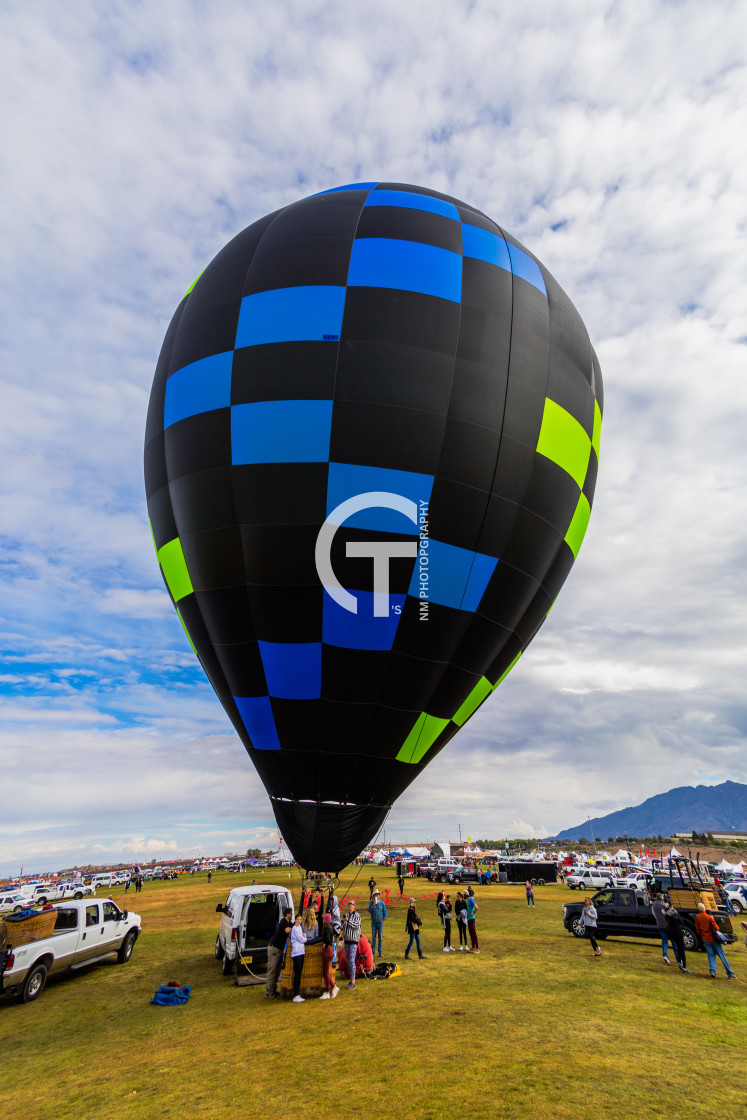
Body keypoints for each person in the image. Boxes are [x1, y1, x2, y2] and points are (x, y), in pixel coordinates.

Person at [695, 903, 736, 979]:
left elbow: (698, 929)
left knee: (710, 955)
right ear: (705, 909)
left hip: (705, 939)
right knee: (722, 956)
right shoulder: (709, 917)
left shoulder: (697, 917)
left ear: (699, 909)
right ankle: (729, 973)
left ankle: (712, 971)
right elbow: (716, 928)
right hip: (714, 939)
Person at [266, 906, 293, 998]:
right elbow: (287, 930)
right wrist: (294, 927)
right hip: (274, 948)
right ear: (287, 914)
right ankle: (269, 992)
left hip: (280, 949)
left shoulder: (288, 923)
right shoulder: (283, 921)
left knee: (277, 971)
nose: (291, 915)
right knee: (272, 970)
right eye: (290, 914)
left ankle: (273, 990)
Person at [652, 892, 678, 965]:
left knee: (664, 940)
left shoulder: (654, 905)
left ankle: (665, 955)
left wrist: (658, 919)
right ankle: (678, 957)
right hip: (667, 924)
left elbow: (654, 913)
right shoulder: (664, 905)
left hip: (659, 924)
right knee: (673, 941)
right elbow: (668, 913)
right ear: (662, 898)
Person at [664, 904, 690, 974]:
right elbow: (682, 922)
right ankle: (684, 966)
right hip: (678, 933)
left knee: (678, 948)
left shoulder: (668, 919)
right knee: (681, 949)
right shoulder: (676, 918)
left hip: (672, 934)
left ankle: (680, 962)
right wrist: (677, 913)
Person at [342, 901, 362, 990]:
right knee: (348, 961)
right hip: (346, 941)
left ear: (354, 906)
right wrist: (342, 921)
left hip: (354, 941)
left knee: (351, 960)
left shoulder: (357, 916)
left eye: (351, 905)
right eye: (349, 905)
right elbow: (342, 927)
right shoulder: (346, 915)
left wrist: (348, 920)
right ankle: (351, 978)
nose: (350, 907)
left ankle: (353, 981)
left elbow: (356, 925)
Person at [319, 913, 339, 1000]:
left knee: (325, 973)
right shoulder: (331, 928)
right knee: (326, 972)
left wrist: (325, 944)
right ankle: (334, 987)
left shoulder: (326, 929)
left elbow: (327, 938)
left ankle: (327, 992)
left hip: (327, 951)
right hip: (331, 951)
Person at [290, 913, 307, 1002]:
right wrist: (304, 938)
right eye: (298, 919)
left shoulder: (300, 928)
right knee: (297, 974)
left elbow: (303, 936)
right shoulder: (295, 929)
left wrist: (303, 937)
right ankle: (295, 994)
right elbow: (302, 939)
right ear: (295, 920)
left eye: (300, 919)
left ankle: (297, 993)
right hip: (296, 953)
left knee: (299, 973)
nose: (299, 921)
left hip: (301, 952)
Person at [368, 888, 387, 957]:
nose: (376, 895)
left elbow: (385, 911)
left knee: (380, 938)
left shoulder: (382, 903)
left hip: (380, 922)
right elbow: (369, 911)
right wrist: (373, 905)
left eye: (377, 894)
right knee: (373, 937)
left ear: (379, 895)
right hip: (373, 922)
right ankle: (373, 951)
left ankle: (380, 952)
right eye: (375, 894)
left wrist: (383, 919)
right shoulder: (371, 903)